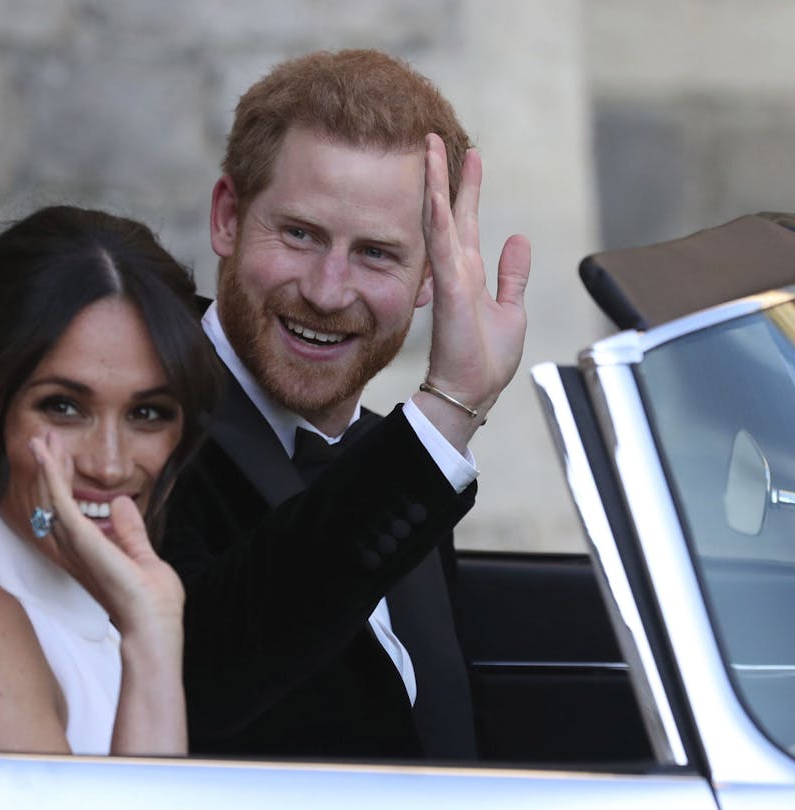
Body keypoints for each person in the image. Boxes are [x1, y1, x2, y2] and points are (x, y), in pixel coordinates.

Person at [161, 49, 532, 759]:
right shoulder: (141, 424)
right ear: (228, 219)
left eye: (377, 255)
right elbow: (203, 682)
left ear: (430, 278)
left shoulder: (391, 456)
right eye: (300, 235)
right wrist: (451, 407)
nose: (329, 291)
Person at [0, 205, 221, 756]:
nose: (109, 464)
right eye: (63, 407)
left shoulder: (92, 609)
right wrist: (151, 639)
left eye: (147, 414)